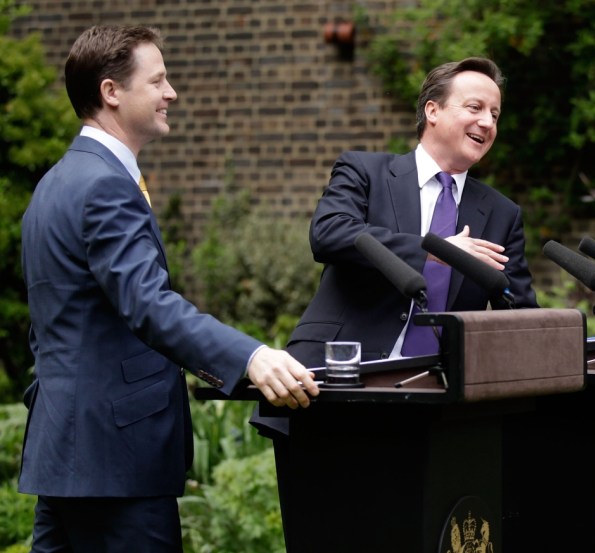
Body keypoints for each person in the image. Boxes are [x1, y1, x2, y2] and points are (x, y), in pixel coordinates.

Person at [18, 25, 319, 553]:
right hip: (117, 462)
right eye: (157, 80)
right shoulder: (107, 185)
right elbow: (148, 304)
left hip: (64, 454)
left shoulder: (55, 183)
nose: (171, 92)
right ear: (112, 92)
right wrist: (249, 356)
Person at [252, 56, 538, 551]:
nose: (488, 122)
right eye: (475, 107)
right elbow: (330, 234)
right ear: (432, 110)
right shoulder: (365, 171)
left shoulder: (502, 214)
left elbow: (521, 313)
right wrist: (441, 246)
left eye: (496, 113)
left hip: (439, 408)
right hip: (333, 394)